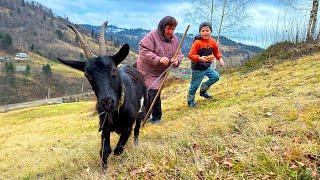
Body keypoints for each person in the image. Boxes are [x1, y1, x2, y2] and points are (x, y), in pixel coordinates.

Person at [136, 16, 184, 124]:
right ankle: (153, 117)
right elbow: (143, 51)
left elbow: (180, 54)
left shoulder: (175, 39)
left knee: (152, 92)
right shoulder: (152, 36)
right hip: (147, 70)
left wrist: (177, 61)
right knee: (152, 91)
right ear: (162, 27)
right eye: (168, 28)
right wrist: (158, 59)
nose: (170, 31)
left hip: (160, 72)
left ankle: (150, 116)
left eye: (173, 29)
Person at [187, 22, 224, 107]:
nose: (205, 32)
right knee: (194, 85)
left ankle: (203, 90)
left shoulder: (212, 41)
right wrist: (200, 58)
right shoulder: (197, 43)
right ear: (200, 32)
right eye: (203, 31)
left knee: (215, 77)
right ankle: (190, 101)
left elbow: (216, 51)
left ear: (211, 31)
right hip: (197, 68)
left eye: (207, 30)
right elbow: (190, 55)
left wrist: (220, 58)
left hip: (207, 66)